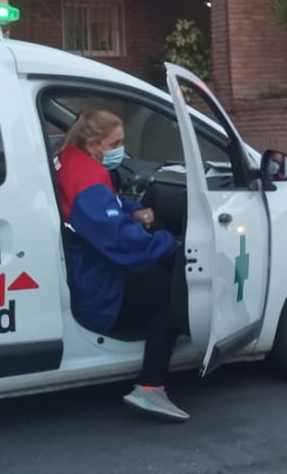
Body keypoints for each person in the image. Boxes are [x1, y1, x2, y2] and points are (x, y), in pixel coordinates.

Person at [54, 109, 189, 422]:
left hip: (93, 266)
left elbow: (105, 212)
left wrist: (132, 212)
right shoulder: (88, 180)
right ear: (94, 144)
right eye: (116, 142)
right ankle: (150, 386)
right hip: (100, 284)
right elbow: (124, 245)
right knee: (169, 298)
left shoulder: (72, 161)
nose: (121, 148)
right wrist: (173, 244)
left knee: (156, 280)